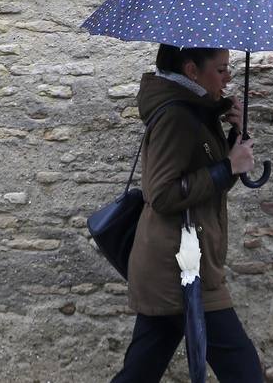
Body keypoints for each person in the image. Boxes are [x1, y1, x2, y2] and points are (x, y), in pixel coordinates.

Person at [111, 44, 261, 383]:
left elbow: (208, 191)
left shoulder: (195, 113)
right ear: (192, 70)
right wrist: (226, 167)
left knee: (139, 373)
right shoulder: (175, 117)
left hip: (180, 263)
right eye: (221, 69)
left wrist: (236, 137)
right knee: (243, 369)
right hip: (181, 268)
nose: (228, 76)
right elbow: (161, 193)